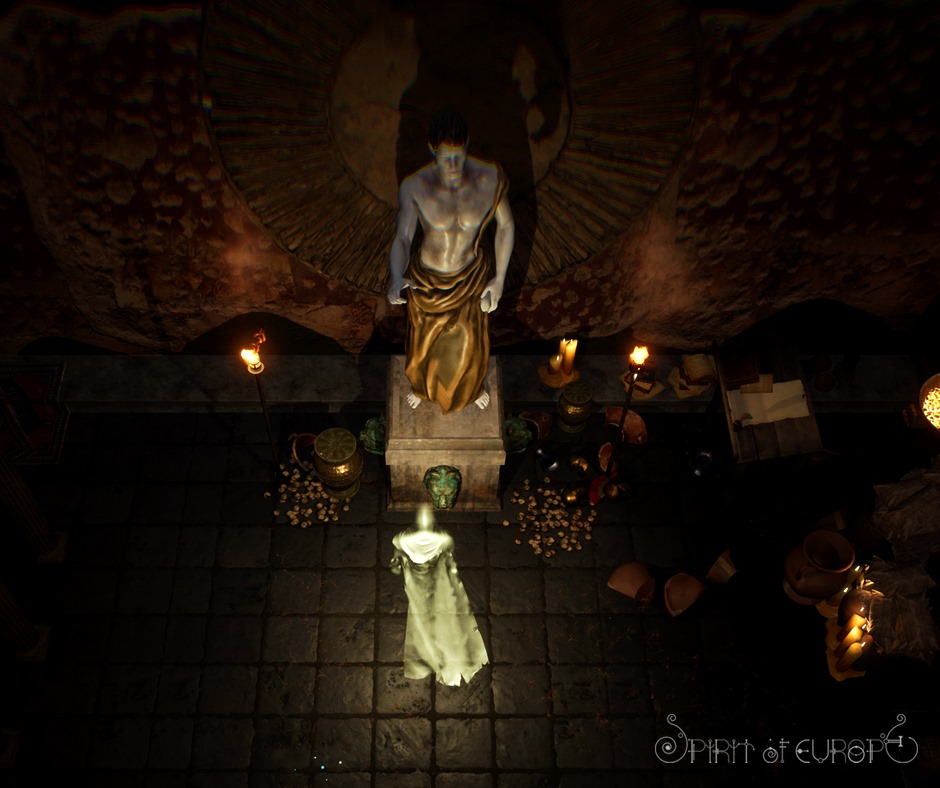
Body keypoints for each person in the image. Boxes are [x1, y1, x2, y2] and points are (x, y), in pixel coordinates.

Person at [387, 109, 515, 415]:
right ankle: (421, 387)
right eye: (447, 158)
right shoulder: (416, 186)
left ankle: (471, 389)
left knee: (470, 345)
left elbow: (506, 226)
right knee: (424, 346)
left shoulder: (489, 177)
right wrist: (396, 275)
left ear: (467, 145)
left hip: (470, 275)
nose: (454, 165)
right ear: (432, 149)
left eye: (459, 156)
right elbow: (403, 237)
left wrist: (499, 278)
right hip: (428, 279)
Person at [389, 505, 488, 686]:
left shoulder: (406, 538)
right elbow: (448, 550)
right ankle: (442, 655)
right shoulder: (434, 537)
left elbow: (399, 551)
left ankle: (442, 655)